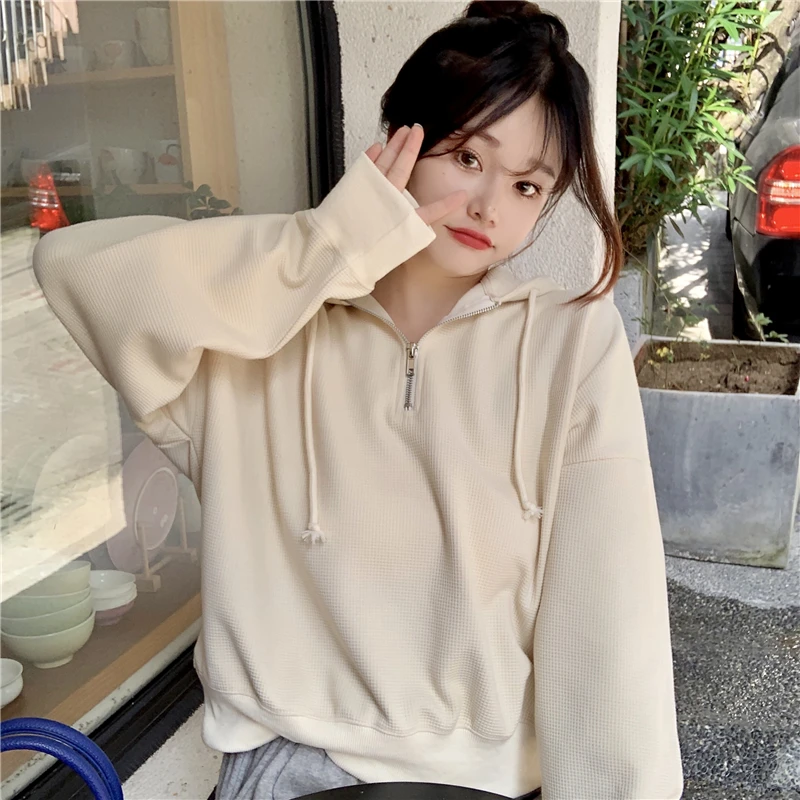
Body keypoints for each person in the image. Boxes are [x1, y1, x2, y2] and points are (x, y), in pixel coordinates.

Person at [32, 2, 683, 798]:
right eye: (467, 157)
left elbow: (609, 619)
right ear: (399, 140)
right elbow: (76, 272)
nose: (489, 206)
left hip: (485, 785)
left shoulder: (566, 342)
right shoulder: (261, 334)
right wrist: (330, 242)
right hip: (277, 774)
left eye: (526, 185)